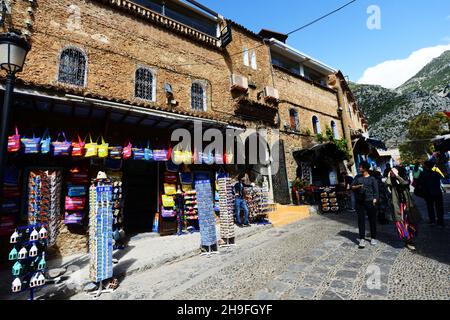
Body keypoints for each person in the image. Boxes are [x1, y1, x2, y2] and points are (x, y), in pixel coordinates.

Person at [386, 167, 421, 250]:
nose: (392, 173)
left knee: (410, 222)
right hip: (398, 206)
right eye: (391, 172)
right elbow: (387, 183)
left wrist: (397, 176)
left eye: (394, 171)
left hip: (407, 205)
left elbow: (404, 183)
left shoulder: (403, 179)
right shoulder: (391, 182)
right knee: (400, 224)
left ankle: (410, 239)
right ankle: (408, 240)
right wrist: (389, 176)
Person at [352, 162, 380, 249]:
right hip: (360, 202)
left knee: (372, 220)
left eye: (360, 167)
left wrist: (375, 200)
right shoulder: (357, 177)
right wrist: (358, 186)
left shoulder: (372, 179)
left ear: (365, 168)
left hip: (370, 201)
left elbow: (376, 191)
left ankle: (373, 238)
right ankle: (362, 239)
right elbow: (352, 187)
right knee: (361, 220)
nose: (359, 168)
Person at [417, 161, 445, 227]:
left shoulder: (423, 174)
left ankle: (432, 220)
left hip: (428, 193)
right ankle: (440, 220)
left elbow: (419, 183)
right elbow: (440, 179)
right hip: (437, 192)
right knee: (439, 207)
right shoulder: (436, 173)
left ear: (426, 166)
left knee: (430, 207)